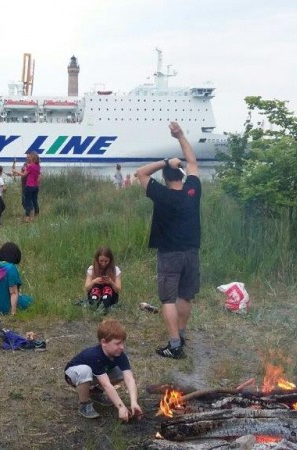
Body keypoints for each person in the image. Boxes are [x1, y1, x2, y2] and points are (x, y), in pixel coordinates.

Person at [134, 121, 201, 360]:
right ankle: (181, 335)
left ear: (164, 176)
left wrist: (165, 161)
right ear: (181, 174)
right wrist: (180, 135)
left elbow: (140, 173)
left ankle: (174, 346)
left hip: (169, 254)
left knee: (168, 299)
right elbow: (192, 162)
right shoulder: (193, 191)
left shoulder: (161, 194)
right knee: (185, 296)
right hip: (191, 252)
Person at [64, 319, 143, 421]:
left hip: (94, 374)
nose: (122, 347)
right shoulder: (95, 355)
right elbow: (106, 384)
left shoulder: (119, 354)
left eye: (123, 342)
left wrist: (134, 403)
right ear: (103, 342)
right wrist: (121, 407)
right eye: (117, 343)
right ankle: (84, 404)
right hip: (74, 374)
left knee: (119, 372)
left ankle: (95, 393)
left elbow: (129, 378)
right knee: (85, 370)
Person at [0, 242, 32, 315]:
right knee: (29, 300)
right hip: (3, 305)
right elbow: (13, 293)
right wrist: (13, 312)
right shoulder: (11, 268)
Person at [84, 246, 122, 313]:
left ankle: (105, 305)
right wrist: (94, 281)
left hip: (111, 296)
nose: (103, 263)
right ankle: (96, 304)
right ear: (97, 259)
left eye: (106, 261)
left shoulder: (116, 269)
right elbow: (87, 288)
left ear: (110, 260)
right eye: (101, 261)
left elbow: (118, 289)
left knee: (107, 289)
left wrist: (111, 282)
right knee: (95, 290)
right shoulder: (91, 269)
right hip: (95, 293)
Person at [12, 151, 41, 223]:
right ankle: (33, 216)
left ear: (33, 158)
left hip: (29, 186)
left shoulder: (30, 166)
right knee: (33, 201)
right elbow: (25, 173)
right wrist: (14, 174)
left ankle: (30, 217)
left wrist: (15, 171)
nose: (28, 158)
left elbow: (24, 174)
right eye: (27, 157)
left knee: (28, 202)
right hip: (34, 186)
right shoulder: (38, 166)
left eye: (29, 157)